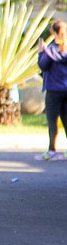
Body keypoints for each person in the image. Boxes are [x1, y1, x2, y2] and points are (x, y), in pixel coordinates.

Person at [37, 20, 67, 160]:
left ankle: (51, 150)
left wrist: (41, 52)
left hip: (54, 90)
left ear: (54, 33)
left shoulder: (51, 50)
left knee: (52, 121)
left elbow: (43, 66)